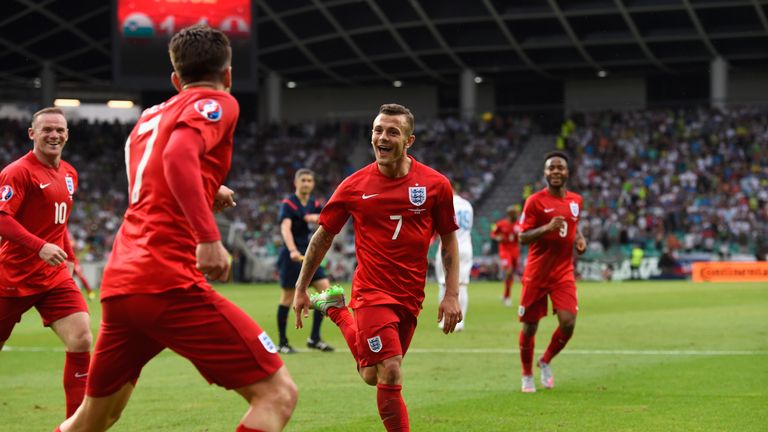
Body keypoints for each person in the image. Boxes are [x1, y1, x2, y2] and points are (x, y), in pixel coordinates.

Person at [56, 25, 297, 432]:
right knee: (277, 394)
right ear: (229, 75)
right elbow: (179, 155)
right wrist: (208, 237)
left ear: (174, 78)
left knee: (94, 418)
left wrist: (206, 186)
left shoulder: (147, 118)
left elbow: (153, 177)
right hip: (167, 280)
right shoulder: (219, 101)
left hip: (123, 284)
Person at [293, 103, 462, 432]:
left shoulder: (435, 185)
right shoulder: (354, 186)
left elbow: (449, 241)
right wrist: (301, 288)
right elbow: (322, 237)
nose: (382, 137)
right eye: (377, 130)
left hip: (411, 296)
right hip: (372, 293)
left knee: (372, 374)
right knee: (391, 369)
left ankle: (337, 310)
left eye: (392, 132)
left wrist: (451, 294)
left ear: (408, 141)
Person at [0, 107, 92, 419]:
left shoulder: (69, 173)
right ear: (32, 133)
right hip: (11, 277)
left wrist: (71, 258)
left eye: (60, 130)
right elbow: (2, 218)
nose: (54, 135)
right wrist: (39, 247)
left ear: (67, 134)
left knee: (81, 337)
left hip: (52, 277)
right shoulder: (17, 172)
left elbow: (59, 225)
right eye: (47, 130)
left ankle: (77, 426)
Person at [517, 151, 586, 393]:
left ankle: (545, 360)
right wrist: (547, 227)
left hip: (563, 271)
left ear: (567, 172)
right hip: (537, 273)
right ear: (545, 173)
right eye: (551, 168)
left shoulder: (576, 200)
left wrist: (580, 239)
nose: (556, 172)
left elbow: (574, 227)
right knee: (530, 326)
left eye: (560, 168)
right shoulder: (535, 201)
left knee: (568, 324)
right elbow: (522, 236)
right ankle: (527, 374)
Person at [275, 168, 333, 353]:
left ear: (313, 184)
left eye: (309, 180)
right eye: (303, 180)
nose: (306, 183)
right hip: (292, 255)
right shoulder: (289, 204)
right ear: (296, 183)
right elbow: (285, 228)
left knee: (327, 293)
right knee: (287, 297)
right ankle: (283, 343)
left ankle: (314, 338)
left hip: (309, 255)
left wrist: (316, 217)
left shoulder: (314, 203)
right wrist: (292, 250)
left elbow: (324, 220)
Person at [434, 181, 473, 332]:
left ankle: (445, 320)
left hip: (449, 247)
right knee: (462, 284)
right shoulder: (468, 205)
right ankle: (460, 322)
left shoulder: (446, 203)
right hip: (466, 247)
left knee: (444, 283)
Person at [491, 205, 522, 306]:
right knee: (508, 271)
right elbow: (493, 234)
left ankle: (506, 295)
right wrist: (497, 238)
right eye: (513, 213)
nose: (516, 215)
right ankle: (507, 297)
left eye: (516, 213)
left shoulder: (519, 225)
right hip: (504, 251)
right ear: (509, 214)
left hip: (515, 251)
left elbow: (522, 237)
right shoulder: (501, 224)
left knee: (511, 274)